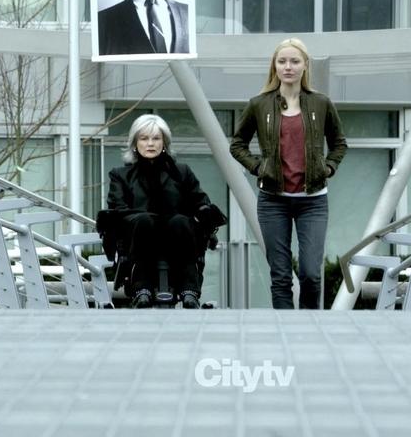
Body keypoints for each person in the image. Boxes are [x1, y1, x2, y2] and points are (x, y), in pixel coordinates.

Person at [230, 38, 347, 310]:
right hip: (272, 200)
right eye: (282, 61)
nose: (288, 67)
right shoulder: (259, 104)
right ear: (275, 66)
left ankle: (309, 326)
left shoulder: (321, 103)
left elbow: (339, 143)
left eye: (295, 61)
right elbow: (237, 144)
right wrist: (259, 167)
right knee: (280, 275)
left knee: (310, 272)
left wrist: (328, 167)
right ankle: (284, 329)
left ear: (305, 65)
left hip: (313, 200)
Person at [106, 114, 215, 309]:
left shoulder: (182, 171)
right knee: (144, 220)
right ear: (135, 143)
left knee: (180, 221)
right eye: (144, 138)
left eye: (156, 138)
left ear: (164, 142)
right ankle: (142, 289)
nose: (150, 144)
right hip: (139, 234)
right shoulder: (120, 175)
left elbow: (200, 200)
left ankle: (189, 290)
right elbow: (117, 208)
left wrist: (204, 213)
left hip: (177, 234)